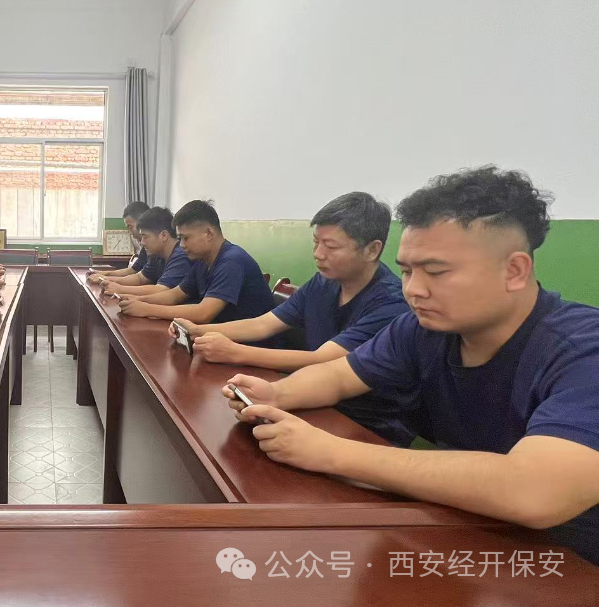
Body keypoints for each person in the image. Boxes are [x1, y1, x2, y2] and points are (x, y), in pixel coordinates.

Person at [223, 166, 599, 565]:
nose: (414, 290)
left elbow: (535, 492)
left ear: (514, 270)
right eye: (406, 271)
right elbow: (339, 375)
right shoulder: (422, 329)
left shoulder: (582, 350)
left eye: (436, 272)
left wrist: (328, 451)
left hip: (569, 561)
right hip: (471, 531)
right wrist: (276, 393)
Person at [171, 193, 413, 444]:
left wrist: (234, 352)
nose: (318, 254)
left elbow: (324, 361)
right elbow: (264, 323)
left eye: (331, 246)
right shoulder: (323, 282)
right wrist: (199, 330)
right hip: (312, 398)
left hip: (369, 424)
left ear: (372, 249)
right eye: (316, 242)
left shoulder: (391, 303)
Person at [118, 200, 275, 329]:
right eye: (180, 239)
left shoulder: (232, 261)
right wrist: (138, 300)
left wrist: (147, 309)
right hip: (219, 337)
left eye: (186, 238)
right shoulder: (202, 260)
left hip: (254, 347)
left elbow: (203, 313)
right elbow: (175, 295)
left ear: (209, 234)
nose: (181, 245)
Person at [100, 207, 191, 297]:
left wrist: (120, 289)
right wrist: (107, 280)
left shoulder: (181, 256)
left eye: (145, 237)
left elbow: (161, 289)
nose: (142, 242)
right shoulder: (158, 253)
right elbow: (140, 278)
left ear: (164, 235)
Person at [87, 201, 156, 284]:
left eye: (130, 227)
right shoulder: (146, 247)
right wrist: (103, 274)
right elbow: (134, 271)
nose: (130, 232)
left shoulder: (157, 251)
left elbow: (158, 287)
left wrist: (107, 279)